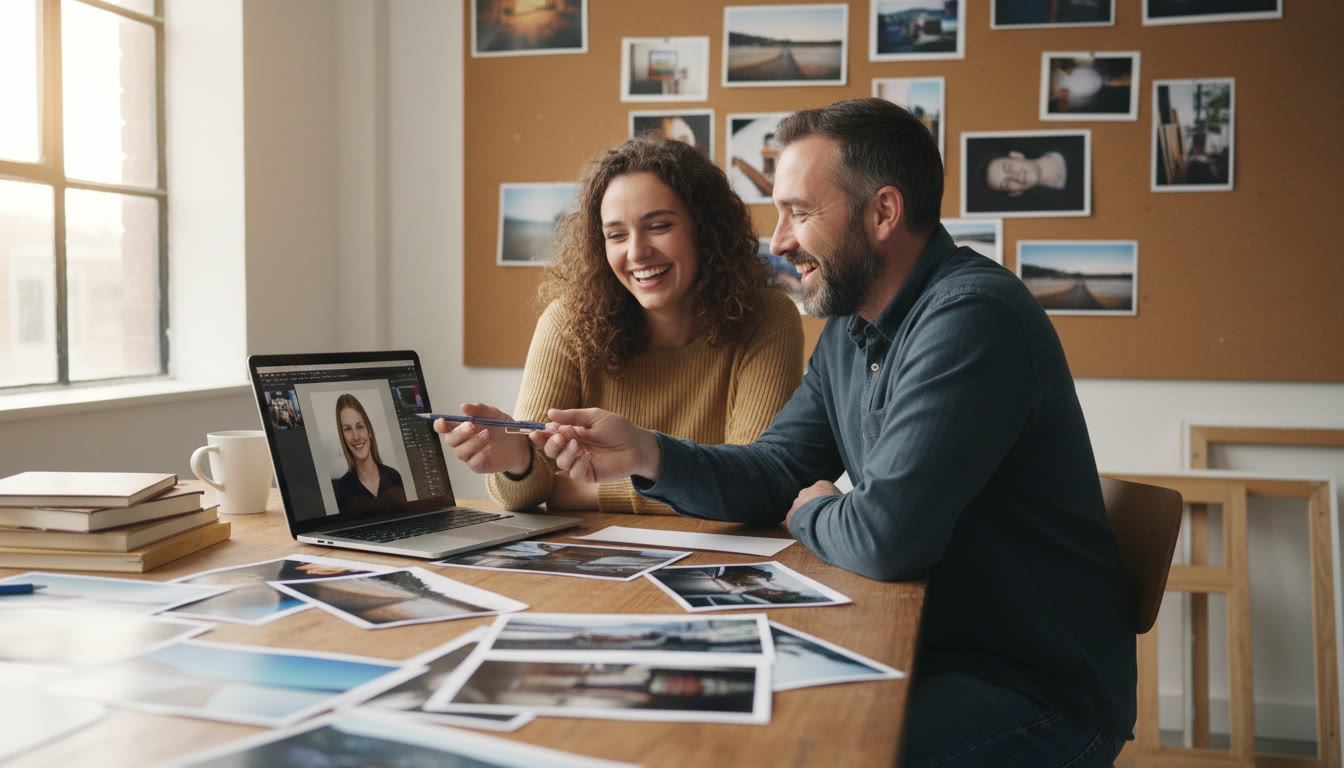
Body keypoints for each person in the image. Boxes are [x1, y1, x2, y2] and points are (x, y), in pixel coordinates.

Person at [530, 98, 1136, 766]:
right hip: (918, 652)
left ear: (882, 212)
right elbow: (772, 470)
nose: (781, 240)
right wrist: (648, 454)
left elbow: (886, 539)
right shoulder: (852, 329)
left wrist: (815, 509)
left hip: (1031, 695)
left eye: (800, 211)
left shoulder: (972, 318)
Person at [436, 133, 804, 514]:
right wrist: (518, 461)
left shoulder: (767, 318)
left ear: (705, 229)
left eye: (659, 226)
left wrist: (583, 492)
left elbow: (751, 488)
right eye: (616, 235)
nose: (636, 252)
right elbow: (528, 492)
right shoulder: (568, 323)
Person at [967, 136, 1087, 214]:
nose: (1015, 177)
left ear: (1016, 155)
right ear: (1015, 193)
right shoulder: (1064, 209)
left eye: (1009, 167)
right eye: (1007, 184)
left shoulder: (1078, 142)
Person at [332, 393, 406, 514]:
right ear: (343, 437)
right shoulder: (343, 488)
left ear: (369, 431)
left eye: (360, 426)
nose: (356, 437)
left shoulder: (394, 476)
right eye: (347, 429)